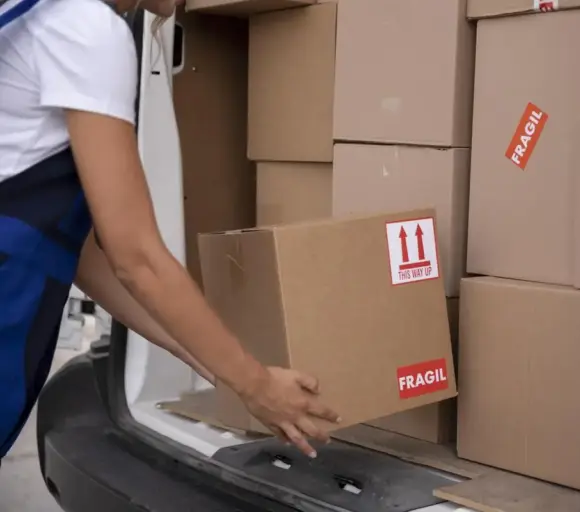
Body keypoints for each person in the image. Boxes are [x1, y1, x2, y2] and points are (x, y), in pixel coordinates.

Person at [0, 0, 339, 463]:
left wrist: (222, 367)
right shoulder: (89, 30)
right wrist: (257, 386)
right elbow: (136, 257)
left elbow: (73, 250)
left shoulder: (40, 17)